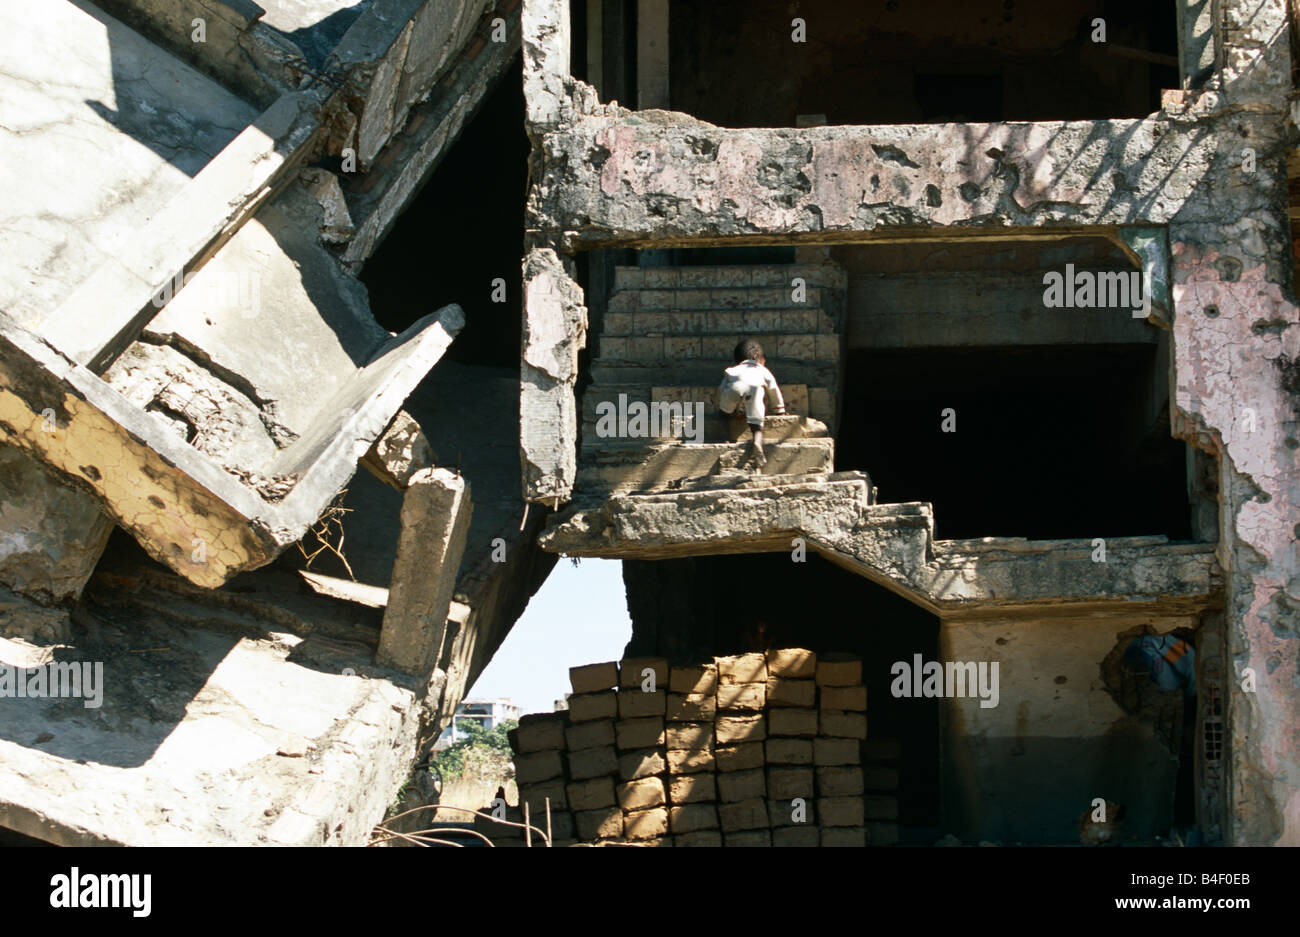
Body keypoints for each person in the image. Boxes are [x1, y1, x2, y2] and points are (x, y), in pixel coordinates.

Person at [717, 338, 786, 466]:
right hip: (755, 390)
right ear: (757, 357)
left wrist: (722, 405)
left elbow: (721, 389)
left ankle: (727, 437)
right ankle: (757, 442)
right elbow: (774, 390)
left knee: (724, 414)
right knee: (756, 425)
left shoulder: (734, 370)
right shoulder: (763, 370)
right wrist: (780, 410)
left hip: (733, 389)